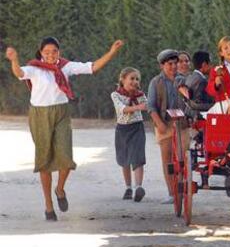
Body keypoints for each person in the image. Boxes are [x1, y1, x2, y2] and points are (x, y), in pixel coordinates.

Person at [5, 36, 123, 221]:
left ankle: (59, 189)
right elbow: (20, 73)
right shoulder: (34, 68)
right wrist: (14, 60)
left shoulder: (65, 66)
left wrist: (112, 52)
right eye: (47, 52)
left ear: (59, 52)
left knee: (66, 157)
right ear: (41, 53)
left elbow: (92, 67)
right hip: (39, 115)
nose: (51, 55)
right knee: (44, 159)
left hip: (61, 113)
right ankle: (49, 206)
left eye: (54, 51)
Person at [147, 49, 190, 204]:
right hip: (164, 123)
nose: (173, 67)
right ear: (162, 66)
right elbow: (151, 106)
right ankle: (171, 193)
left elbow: (191, 101)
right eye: (169, 64)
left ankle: (181, 189)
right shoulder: (156, 82)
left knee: (181, 158)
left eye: (175, 63)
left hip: (182, 124)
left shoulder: (184, 80)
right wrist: (159, 124)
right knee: (167, 159)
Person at [111, 67, 147, 202]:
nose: (135, 81)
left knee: (138, 157)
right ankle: (128, 187)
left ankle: (138, 187)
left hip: (137, 127)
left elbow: (147, 106)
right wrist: (138, 107)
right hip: (122, 129)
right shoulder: (116, 95)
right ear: (123, 79)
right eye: (132, 78)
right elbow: (123, 109)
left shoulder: (141, 95)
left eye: (137, 79)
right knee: (124, 158)